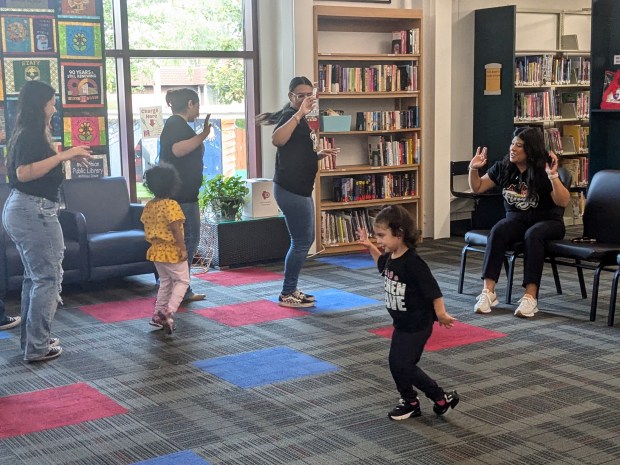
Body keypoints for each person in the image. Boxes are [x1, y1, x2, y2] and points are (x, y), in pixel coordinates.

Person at [2, 80, 91, 362]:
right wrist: (64, 155)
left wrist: (62, 157)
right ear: (42, 103)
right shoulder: (30, 133)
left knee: (36, 278)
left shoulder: (34, 131)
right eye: (52, 101)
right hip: (33, 211)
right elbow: (24, 173)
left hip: (26, 209)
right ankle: (37, 346)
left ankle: (33, 340)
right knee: (47, 278)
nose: (55, 105)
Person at [357, 205, 459, 420]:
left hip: (418, 324)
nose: (379, 240)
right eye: (376, 235)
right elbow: (381, 266)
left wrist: (441, 314)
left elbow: (434, 291)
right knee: (396, 364)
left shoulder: (413, 263)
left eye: (382, 235)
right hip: (401, 324)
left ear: (400, 233)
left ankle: (435, 397)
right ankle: (415, 400)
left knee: (405, 365)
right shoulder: (391, 257)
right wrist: (369, 247)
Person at [468, 126, 570, 318]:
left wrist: (553, 176)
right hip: (517, 220)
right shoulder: (504, 167)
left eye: (519, 146)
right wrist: (473, 168)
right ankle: (488, 292)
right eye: (512, 144)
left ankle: (530, 298)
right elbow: (478, 187)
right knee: (498, 231)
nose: (513, 149)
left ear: (530, 149)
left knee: (533, 235)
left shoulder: (542, 169)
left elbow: (563, 201)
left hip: (547, 221)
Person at [256, 76, 339, 308]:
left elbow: (297, 150)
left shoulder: (305, 119)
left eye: (308, 95)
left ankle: (291, 288)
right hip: (290, 188)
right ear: (291, 96)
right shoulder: (291, 116)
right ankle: (286, 293)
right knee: (302, 240)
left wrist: (318, 155)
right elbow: (277, 140)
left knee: (304, 239)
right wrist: (299, 113)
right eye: (300, 95)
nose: (305, 99)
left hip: (300, 187)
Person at [159, 88, 210, 303]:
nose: (198, 111)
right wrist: (203, 135)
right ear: (190, 104)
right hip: (180, 198)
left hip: (184, 195)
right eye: (197, 105)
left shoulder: (178, 126)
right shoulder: (175, 125)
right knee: (187, 242)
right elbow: (178, 150)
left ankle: (178, 288)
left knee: (184, 243)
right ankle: (180, 289)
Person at [141, 164, 190, 335]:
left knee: (165, 282)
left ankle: (157, 315)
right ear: (172, 184)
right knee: (183, 281)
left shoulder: (149, 206)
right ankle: (169, 310)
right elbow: (176, 229)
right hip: (171, 249)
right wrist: (183, 248)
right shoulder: (171, 205)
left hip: (156, 250)